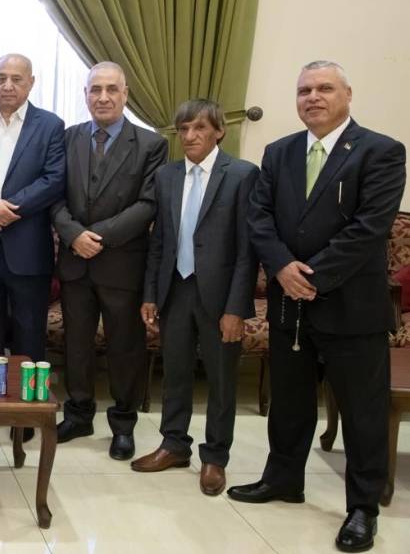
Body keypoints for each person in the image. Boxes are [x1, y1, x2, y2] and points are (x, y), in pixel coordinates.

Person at [228, 61, 405, 553]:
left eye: (324, 88)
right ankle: (283, 479)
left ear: (347, 93)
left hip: (352, 307)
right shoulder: (279, 151)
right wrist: (282, 268)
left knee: (362, 412)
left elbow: (370, 227)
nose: (313, 97)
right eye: (304, 89)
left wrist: (312, 276)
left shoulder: (381, 151)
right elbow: (259, 217)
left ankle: (363, 508)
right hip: (290, 304)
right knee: (289, 400)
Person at [132, 99, 259, 496]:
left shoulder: (242, 175)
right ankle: (174, 445)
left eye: (199, 128)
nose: (190, 136)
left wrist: (236, 308)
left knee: (221, 380)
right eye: (183, 129)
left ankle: (215, 457)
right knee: (175, 373)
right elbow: (159, 242)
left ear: (219, 131)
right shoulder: (167, 176)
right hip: (176, 289)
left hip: (220, 296)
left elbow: (248, 250)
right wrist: (150, 294)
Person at [52, 61, 167, 459]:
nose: (103, 97)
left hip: (121, 264)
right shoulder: (67, 138)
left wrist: (96, 237)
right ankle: (78, 414)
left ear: (125, 94)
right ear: (85, 95)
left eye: (111, 89)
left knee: (124, 347)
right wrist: (73, 235)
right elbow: (54, 196)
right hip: (75, 262)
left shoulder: (151, 144)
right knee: (76, 345)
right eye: (95, 90)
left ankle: (123, 424)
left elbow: (148, 204)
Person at [0, 53, 65, 437]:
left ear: (31, 83)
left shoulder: (50, 126)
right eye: (1, 77)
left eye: (16, 79)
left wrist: (4, 212)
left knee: (29, 337)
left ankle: (26, 414)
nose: (7, 85)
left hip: (27, 250)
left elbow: (54, 179)